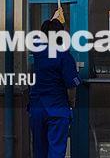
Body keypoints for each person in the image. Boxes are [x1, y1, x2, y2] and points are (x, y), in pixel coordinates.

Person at [28, 16, 81, 158]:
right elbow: (71, 86)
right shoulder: (64, 57)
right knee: (56, 150)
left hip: (37, 108)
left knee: (39, 150)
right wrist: (71, 103)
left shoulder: (36, 53)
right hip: (57, 108)